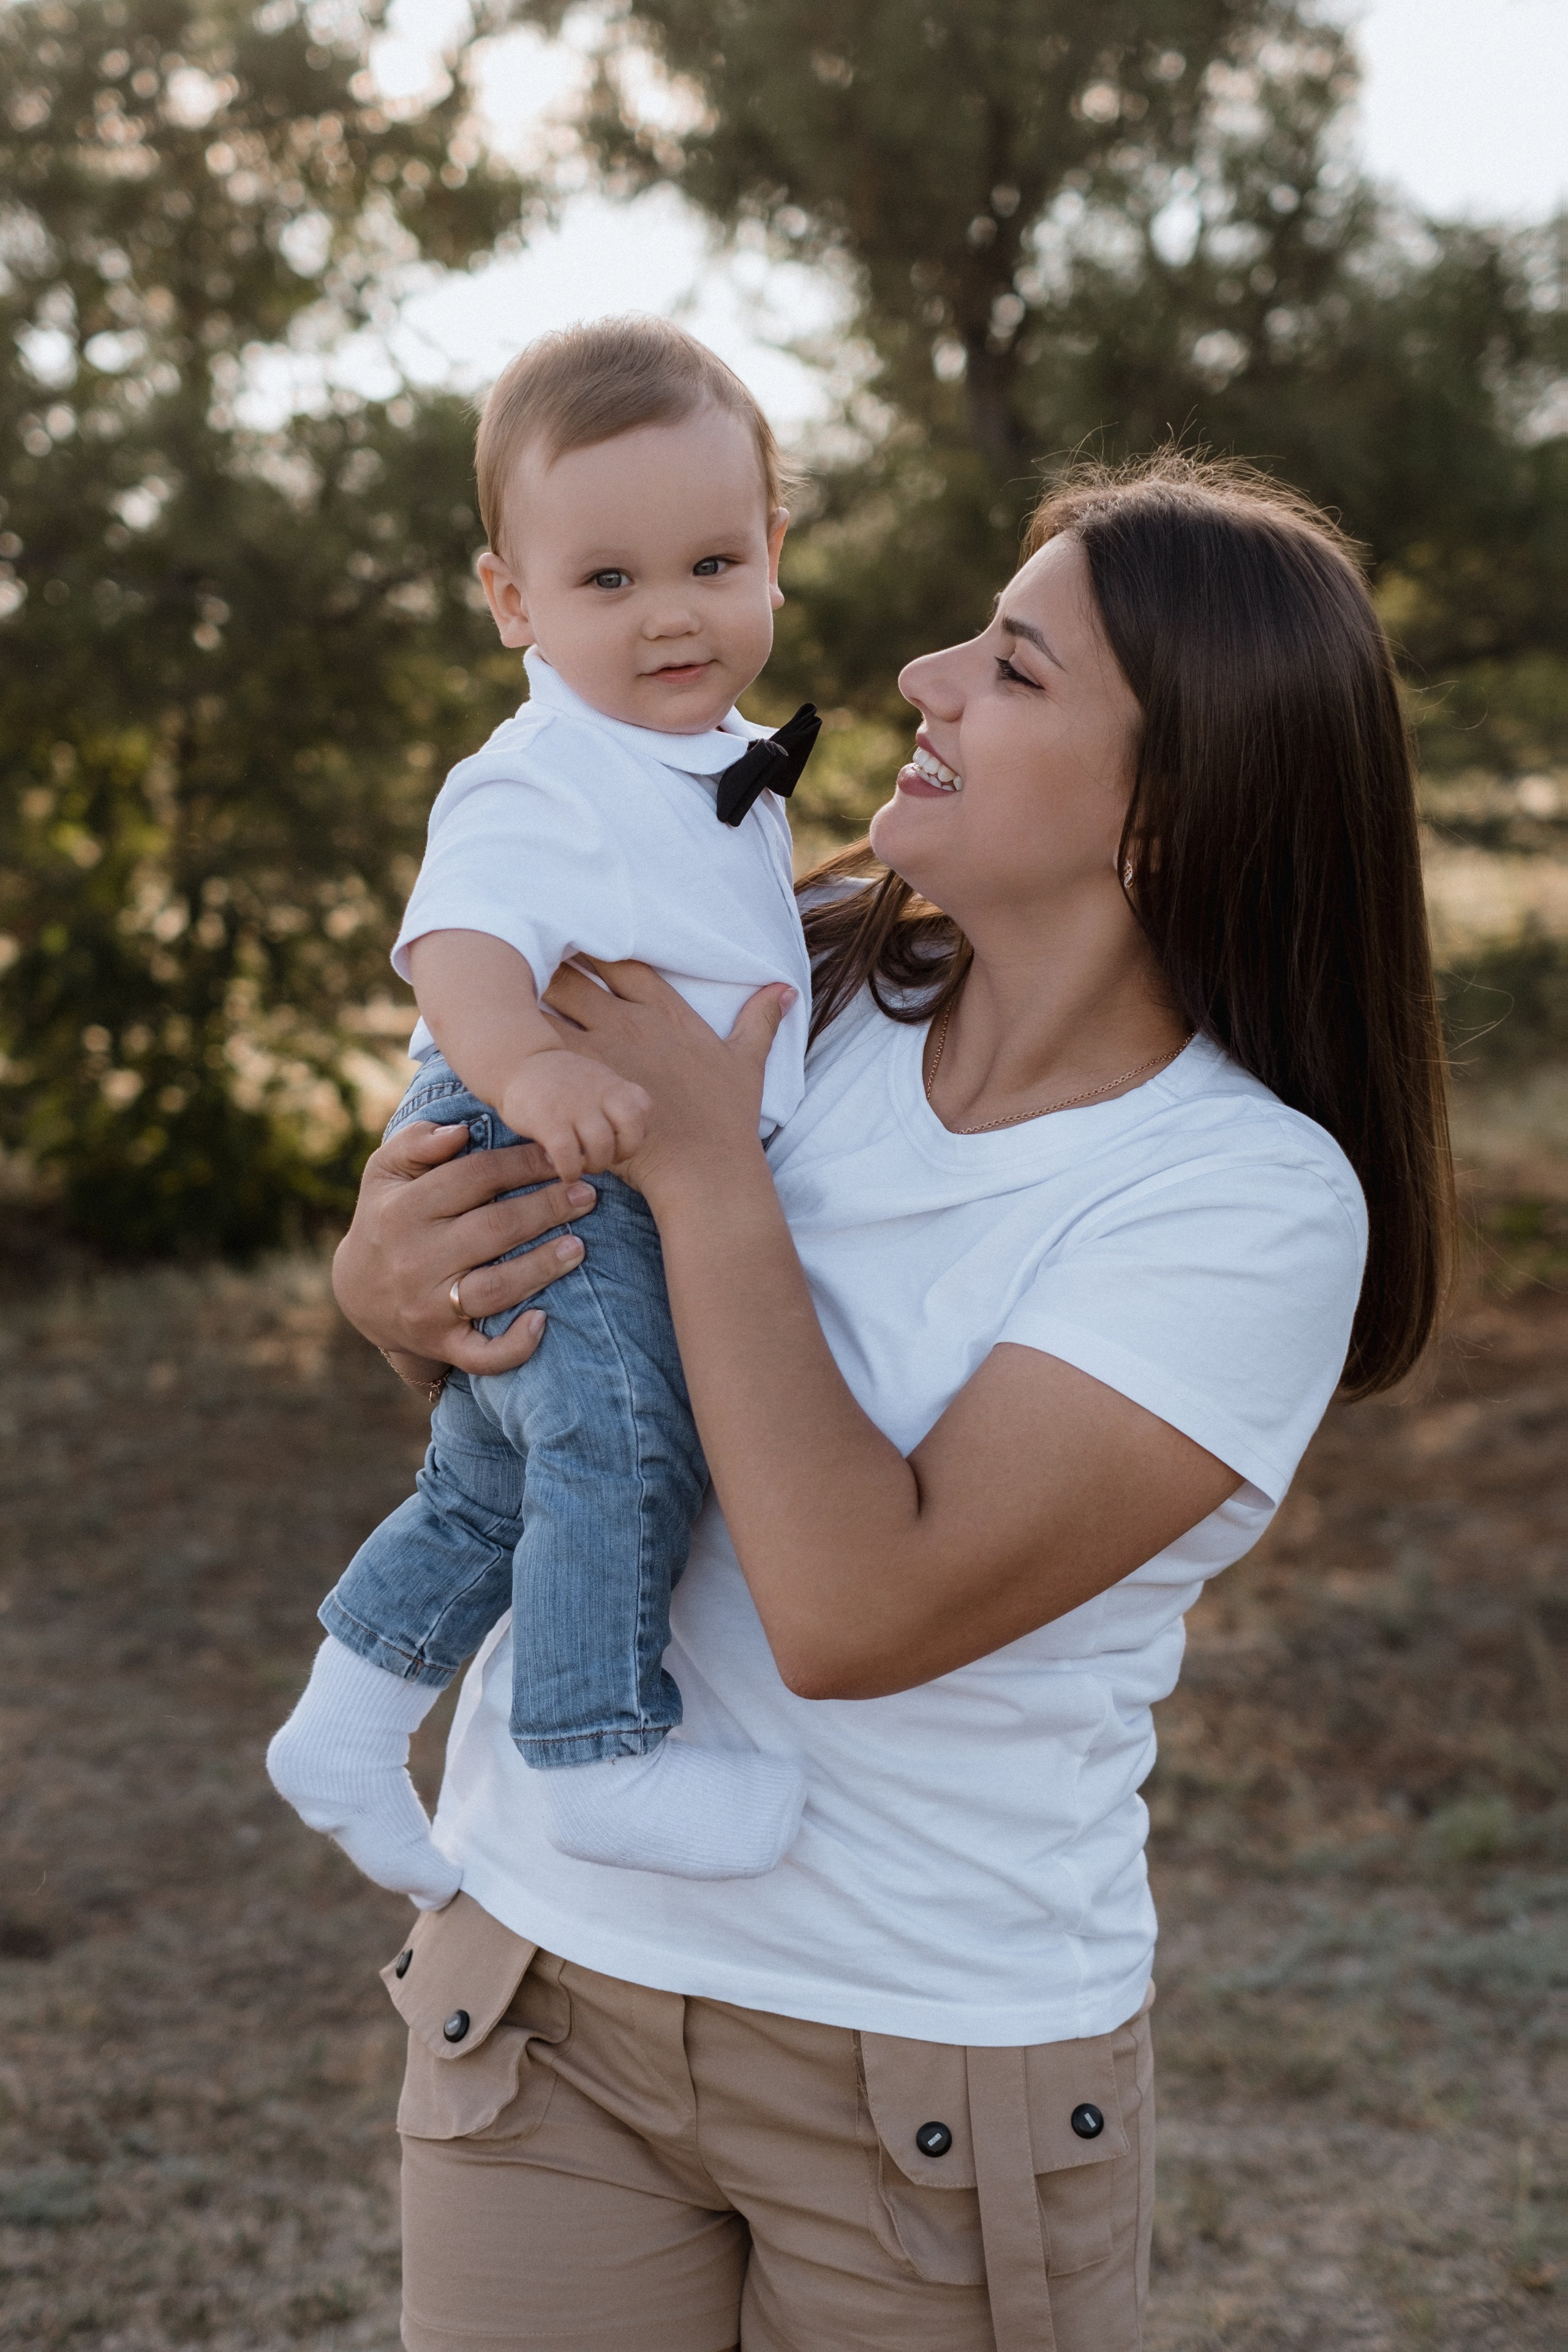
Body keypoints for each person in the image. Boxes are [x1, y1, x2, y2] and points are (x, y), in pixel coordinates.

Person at [326, 453, 1453, 2352]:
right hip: (540, 1985)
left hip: (925, 2069)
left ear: (1174, 804)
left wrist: (704, 1172)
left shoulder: (1241, 1203)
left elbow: (855, 1611)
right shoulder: (787, 988)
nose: (926, 673)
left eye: (1015, 671)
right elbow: (534, 1384)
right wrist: (398, 1298)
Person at [267, 317, 823, 1898]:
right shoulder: (541, 772)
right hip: (552, 1137)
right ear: (511, 599)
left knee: (497, 1472)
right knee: (623, 1434)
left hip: (625, 1148)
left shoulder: (705, 762)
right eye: (606, 582)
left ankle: (348, 1718)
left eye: (714, 564)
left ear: (775, 556)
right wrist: (536, 1070)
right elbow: (454, 941)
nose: (670, 617)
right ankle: (594, 1745)